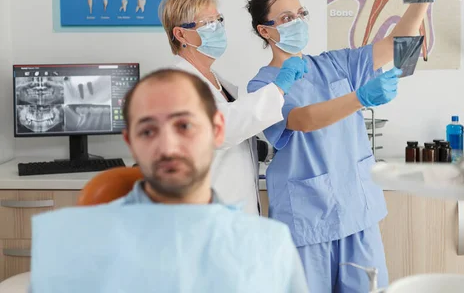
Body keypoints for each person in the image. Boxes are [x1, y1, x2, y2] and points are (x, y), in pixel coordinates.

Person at [245, 0, 446, 292]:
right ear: (264, 31)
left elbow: (399, 45)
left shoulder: (335, 63)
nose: (297, 22)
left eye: (300, 13)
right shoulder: (263, 86)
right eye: (285, 18)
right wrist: (361, 97)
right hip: (307, 223)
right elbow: (304, 121)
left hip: (357, 212)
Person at [29, 69, 310, 293]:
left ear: (217, 129)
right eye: (148, 130)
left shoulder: (269, 246)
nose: (168, 147)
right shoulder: (62, 244)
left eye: (184, 126)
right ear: (130, 142)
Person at [158, 0, 308, 215]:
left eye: (219, 20)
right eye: (208, 23)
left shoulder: (220, 84)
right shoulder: (175, 85)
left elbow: (235, 137)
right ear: (181, 35)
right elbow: (220, 129)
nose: (218, 28)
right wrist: (279, 86)